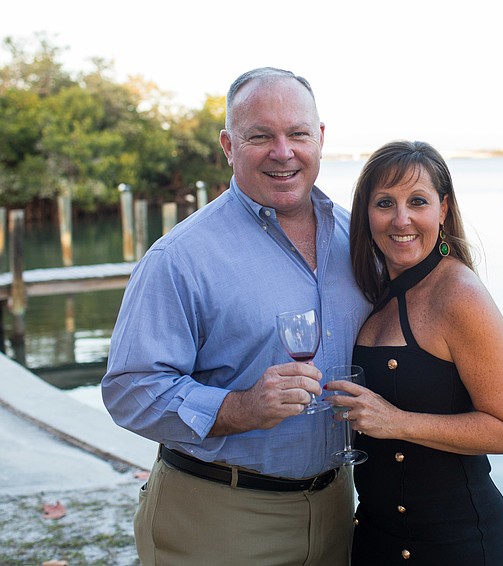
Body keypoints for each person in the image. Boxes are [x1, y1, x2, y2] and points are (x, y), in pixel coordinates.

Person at [101, 67, 371, 565]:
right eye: (260, 136)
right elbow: (129, 390)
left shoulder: (357, 238)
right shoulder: (180, 257)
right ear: (228, 144)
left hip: (338, 507)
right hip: (218, 517)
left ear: (321, 138)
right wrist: (241, 408)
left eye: (297, 134)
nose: (283, 151)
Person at [325, 140, 503, 565]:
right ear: (366, 212)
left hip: (452, 542)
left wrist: (396, 422)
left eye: (417, 201)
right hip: (374, 534)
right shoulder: (373, 290)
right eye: (385, 203)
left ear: (443, 209)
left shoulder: (459, 294)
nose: (402, 219)